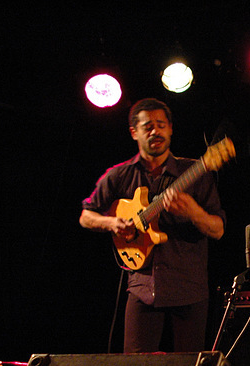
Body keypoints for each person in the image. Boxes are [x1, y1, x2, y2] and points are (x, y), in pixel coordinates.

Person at [80, 98, 226, 353]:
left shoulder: (196, 172)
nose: (155, 131)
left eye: (161, 125)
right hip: (142, 288)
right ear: (134, 132)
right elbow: (86, 216)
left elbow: (218, 229)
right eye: (148, 126)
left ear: (170, 129)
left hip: (188, 289)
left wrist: (194, 212)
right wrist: (112, 222)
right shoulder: (119, 175)